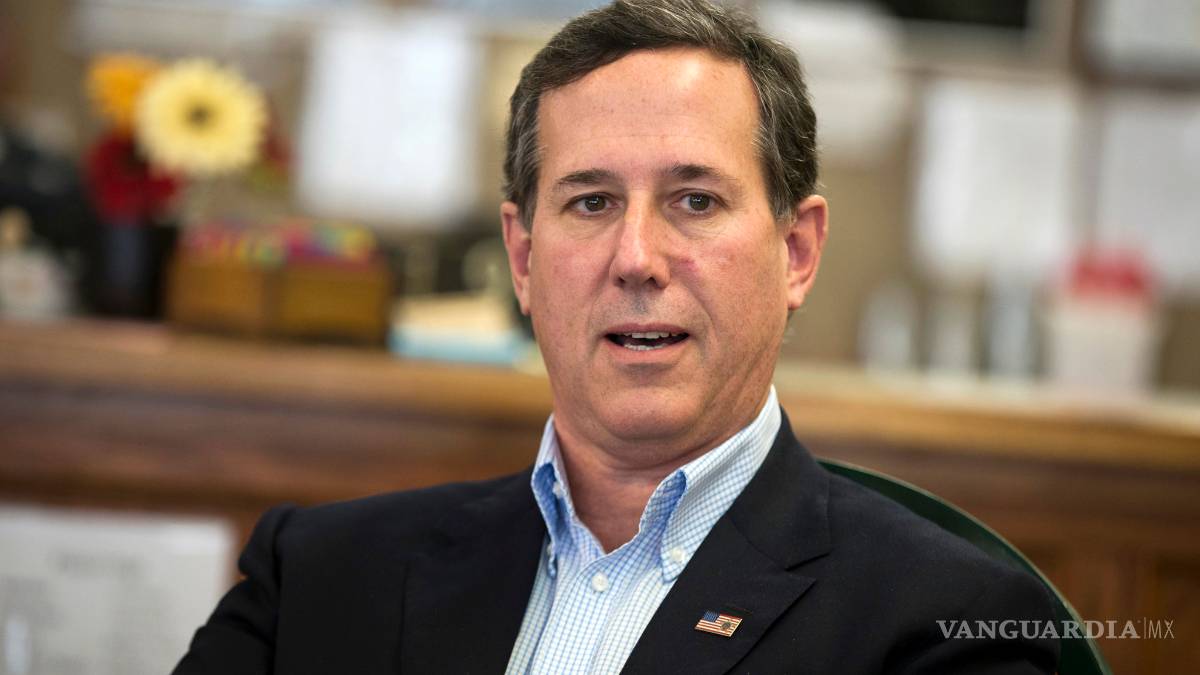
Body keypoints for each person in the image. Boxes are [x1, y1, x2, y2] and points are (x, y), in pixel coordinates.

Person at [174, 1, 1059, 672]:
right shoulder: (318, 578)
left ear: (796, 252)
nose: (636, 258)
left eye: (695, 201)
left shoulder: (947, 629)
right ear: (524, 257)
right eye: (591, 201)